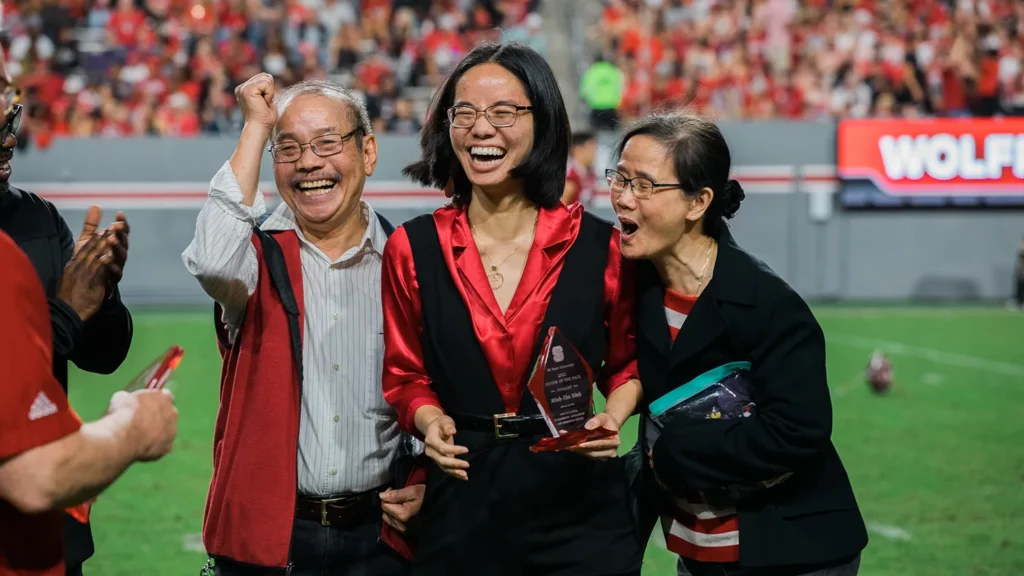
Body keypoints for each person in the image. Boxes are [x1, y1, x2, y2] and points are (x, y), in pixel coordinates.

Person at [381, 41, 644, 576]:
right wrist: (429, 421)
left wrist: (611, 416)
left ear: (543, 122)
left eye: (504, 112)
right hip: (460, 502)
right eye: (465, 113)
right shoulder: (412, 247)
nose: (481, 128)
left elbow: (629, 364)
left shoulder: (602, 248)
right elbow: (405, 374)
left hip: (579, 505)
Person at [182, 74, 422, 576]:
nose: (308, 162)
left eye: (327, 143)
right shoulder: (255, 259)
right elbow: (211, 261)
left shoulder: (409, 260)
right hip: (274, 538)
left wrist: (426, 479)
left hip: (385, 537)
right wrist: (256, 126)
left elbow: (429, 388)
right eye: (287, 148)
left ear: (368, 153)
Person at [610, 113, 868, 576]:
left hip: (793, 553)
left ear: (698, 202)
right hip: (698, 553)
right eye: (621, 178)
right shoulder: (635, 287)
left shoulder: (767, 303)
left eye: (645, 185)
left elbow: (797, 431)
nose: (623, 198)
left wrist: (677, 452)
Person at [0, 43, 133, 576]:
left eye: (11, 116)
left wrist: (100, 295)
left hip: (46, 536)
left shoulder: (36, 218)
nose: (11, 138)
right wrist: (68, 314)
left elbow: (103, 357)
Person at [0, 229, 177, 576]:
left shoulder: (38, 220)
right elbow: (35, 476)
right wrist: (134, 428)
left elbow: (99, 354)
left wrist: (95, 302)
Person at [562, 130, 598, 208]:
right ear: (577, 149)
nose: (594, 152)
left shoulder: (589, 173)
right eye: (590, 148)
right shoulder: (569, 176)